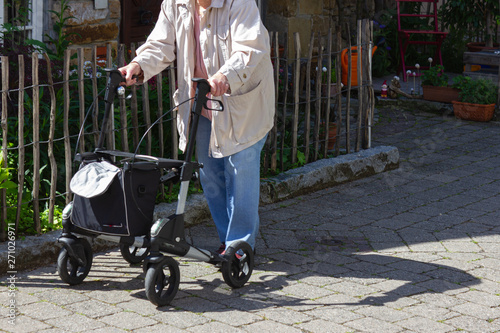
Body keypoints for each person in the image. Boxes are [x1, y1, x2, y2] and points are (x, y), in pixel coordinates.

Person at [119, 0, 275, 254]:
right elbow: (161, 44)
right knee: (210, 175)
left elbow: (250, 48)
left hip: (242, 105)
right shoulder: (176, 3)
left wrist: (226, 76)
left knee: (239, 176)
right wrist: (140, 65)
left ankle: (240, 247)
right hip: (202, 103)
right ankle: (227, 239)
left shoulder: (240, 3)